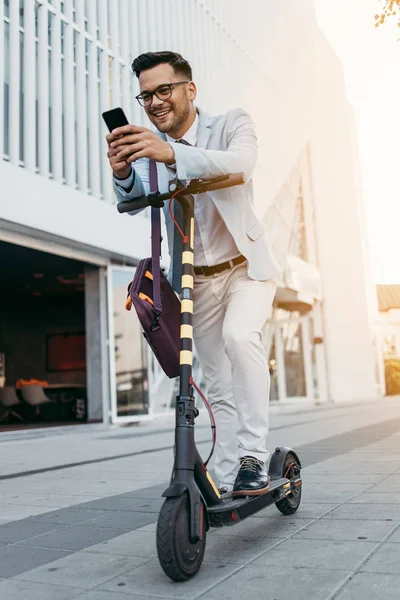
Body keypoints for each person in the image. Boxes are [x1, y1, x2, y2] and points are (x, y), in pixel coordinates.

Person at [106, 51, 281, 497]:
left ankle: (254, 459)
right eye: (146, 95)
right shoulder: (151, 150)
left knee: (241, 338)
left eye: (164, 90)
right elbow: (135, 201)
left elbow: (240, 164)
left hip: (246, 269)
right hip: (195, 281)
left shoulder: (231, 124)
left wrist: (173, 155)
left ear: (189, 89)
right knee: (216, 383)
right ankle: (226, 479)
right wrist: (125, 173)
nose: (155, 102)